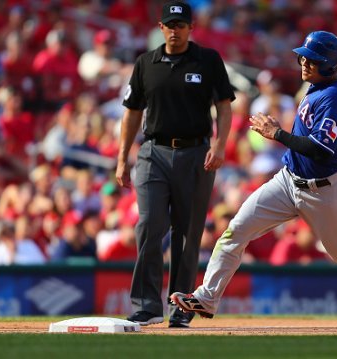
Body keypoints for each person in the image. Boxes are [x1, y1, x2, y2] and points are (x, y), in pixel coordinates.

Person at [170, 31, 337, 319]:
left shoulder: (333, 97)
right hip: (287, 180)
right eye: (303, 57)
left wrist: (278, 133)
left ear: (330, 65)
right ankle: (206, 298)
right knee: (236, 230)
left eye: (312, 59)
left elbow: (321, 150)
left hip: (325, 190)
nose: (304, 64)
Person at [116, 1, 235, 328]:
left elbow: (224, 106)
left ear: (190, 28)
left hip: (196, 153)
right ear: (160, 27)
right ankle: (147, 305)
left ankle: (180, 306)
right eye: (169, 24)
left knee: (188, 232)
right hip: (153, 152)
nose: (174, 30)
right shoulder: (146, 63)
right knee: (149, 224)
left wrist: (221, 143)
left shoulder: (208, 60)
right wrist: (122, 157)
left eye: (180, 24)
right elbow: (132, 112)